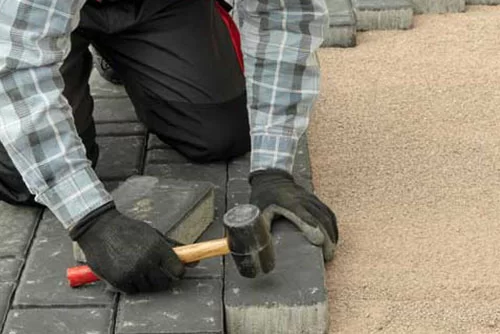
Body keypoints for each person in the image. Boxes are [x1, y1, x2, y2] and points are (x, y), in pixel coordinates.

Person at [0, 0, 338, 294]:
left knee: (222, 132)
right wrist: (90, 219)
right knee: (22, 177)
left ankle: (124, 53)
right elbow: (15, 61)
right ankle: (72, 38)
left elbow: (285, 12)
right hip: (18, 20)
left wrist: (273, 169)